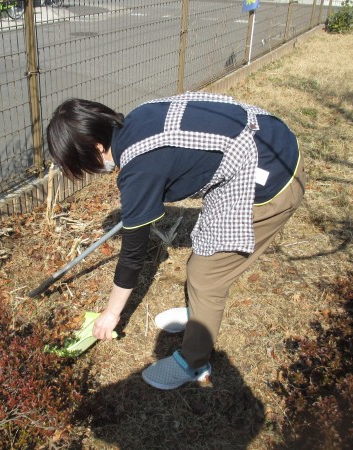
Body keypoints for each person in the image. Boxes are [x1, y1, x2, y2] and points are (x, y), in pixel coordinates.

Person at [46, 91, 305, 390]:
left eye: (80, 163)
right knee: (204, 253)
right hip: (271, 137)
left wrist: (111, 314)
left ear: (96, 146)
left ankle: (194, 363)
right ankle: (199, 315)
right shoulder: (139, 116)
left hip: (272, 175)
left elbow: (132, 255)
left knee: (206, 276)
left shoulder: (140, 168)